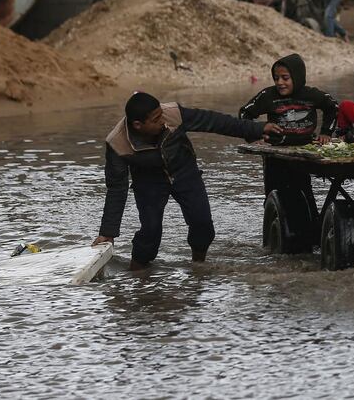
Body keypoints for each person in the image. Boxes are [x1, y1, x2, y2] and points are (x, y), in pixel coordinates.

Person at [92, 92, 282, 270]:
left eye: (161, 114)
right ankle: (138, 274)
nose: (163, 121)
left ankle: (198, 267)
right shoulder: (117, 143)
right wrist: (108, 232)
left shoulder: (173, 113)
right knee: (150, 232)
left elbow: (215, 122)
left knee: (203, 225)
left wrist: (257, 129)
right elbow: (117, 189)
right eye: (156, 120)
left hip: (184, 170)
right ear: (138, 125)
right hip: (148, 180)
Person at [239, 53, 338, 219]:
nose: (279, 83)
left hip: (303, 153)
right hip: (276, 154)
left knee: (304, 192)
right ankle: (276, 233)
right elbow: (244, 114)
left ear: (297, 77)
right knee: (275, 194)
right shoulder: (268, 96)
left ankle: (311, 230)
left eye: (285, 78)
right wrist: (255, 136)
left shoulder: (311, 95)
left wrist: (326, 133)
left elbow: (332, 107)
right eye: (276, 78)